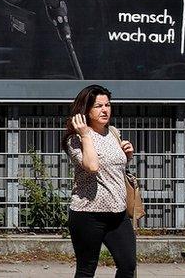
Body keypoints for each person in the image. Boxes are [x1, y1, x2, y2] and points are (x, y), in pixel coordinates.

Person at [63, 84, 137, 278]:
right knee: (86, 270)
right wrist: (86, 134)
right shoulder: (75, 139)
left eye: (108, 105)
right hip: (88, 214)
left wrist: (126, 155)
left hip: (118, 213)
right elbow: (92, 166)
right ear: (86, 110)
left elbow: (112, 167)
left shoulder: (113, 132)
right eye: (98, 106)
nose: (105, 110)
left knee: (128, 266)